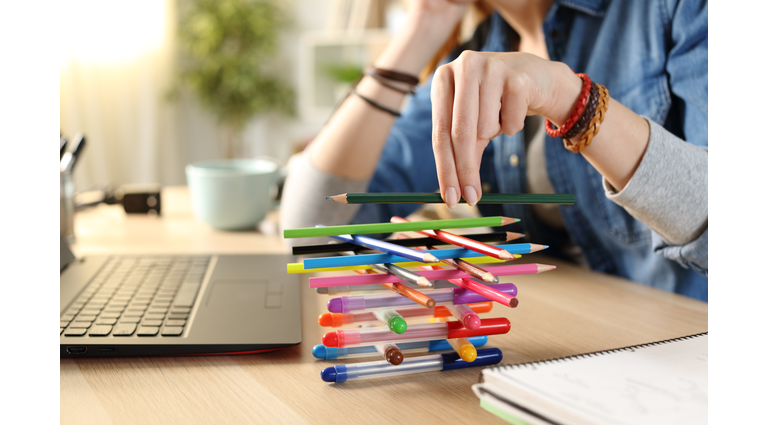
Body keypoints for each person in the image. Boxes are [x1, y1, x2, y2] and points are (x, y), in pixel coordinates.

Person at [281, 0, 708, 301]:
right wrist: (422, 27)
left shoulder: (668, 9)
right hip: (577, 352)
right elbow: (314, 232)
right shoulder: (473, 62)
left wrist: (568, 97)